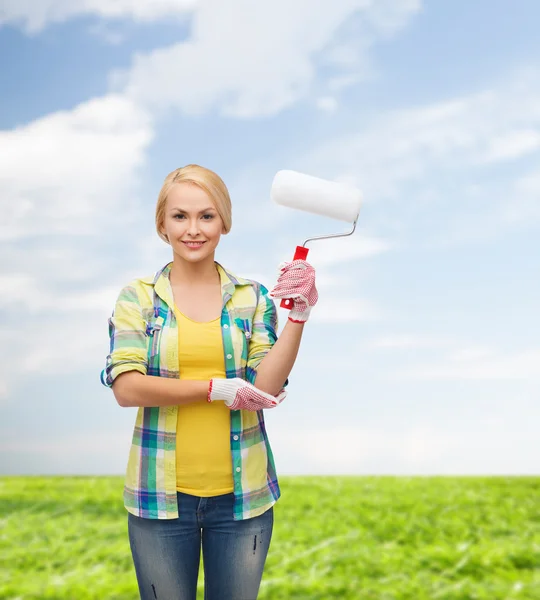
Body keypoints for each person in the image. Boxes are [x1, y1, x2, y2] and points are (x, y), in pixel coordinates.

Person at [100, 164, 318, 600]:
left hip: (244, 503)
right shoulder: (138, 297)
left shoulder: (252, 297)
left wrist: (299, 315)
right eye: (180, 216)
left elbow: (266, 387)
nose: (193, 229)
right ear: (162, 223)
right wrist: (215, 389)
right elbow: (127, 387)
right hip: (159, 501)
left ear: (224, 222)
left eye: (207, 215)